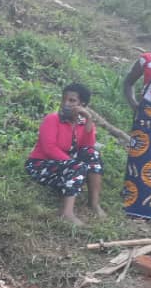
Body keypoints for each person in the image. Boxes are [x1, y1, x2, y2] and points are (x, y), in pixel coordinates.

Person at [25, 83, 105, 226]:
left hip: (65, 164)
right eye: (64, 99)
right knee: (76, 166)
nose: (66, 103)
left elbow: (88, 146)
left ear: (82, 104)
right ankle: (66, 213)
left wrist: (89, 120)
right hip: (40, 165)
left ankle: (94, 203)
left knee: (92, 154)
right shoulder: (52, 119)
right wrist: (73, 165)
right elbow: (49, 148)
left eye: (72, 100)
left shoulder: (82, 122)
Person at [121, 39, 151, 221]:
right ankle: (136, 207)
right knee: (139, 160)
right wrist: (134, 104)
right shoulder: (147, 59)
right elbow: (128, 82)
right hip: (145, 118)